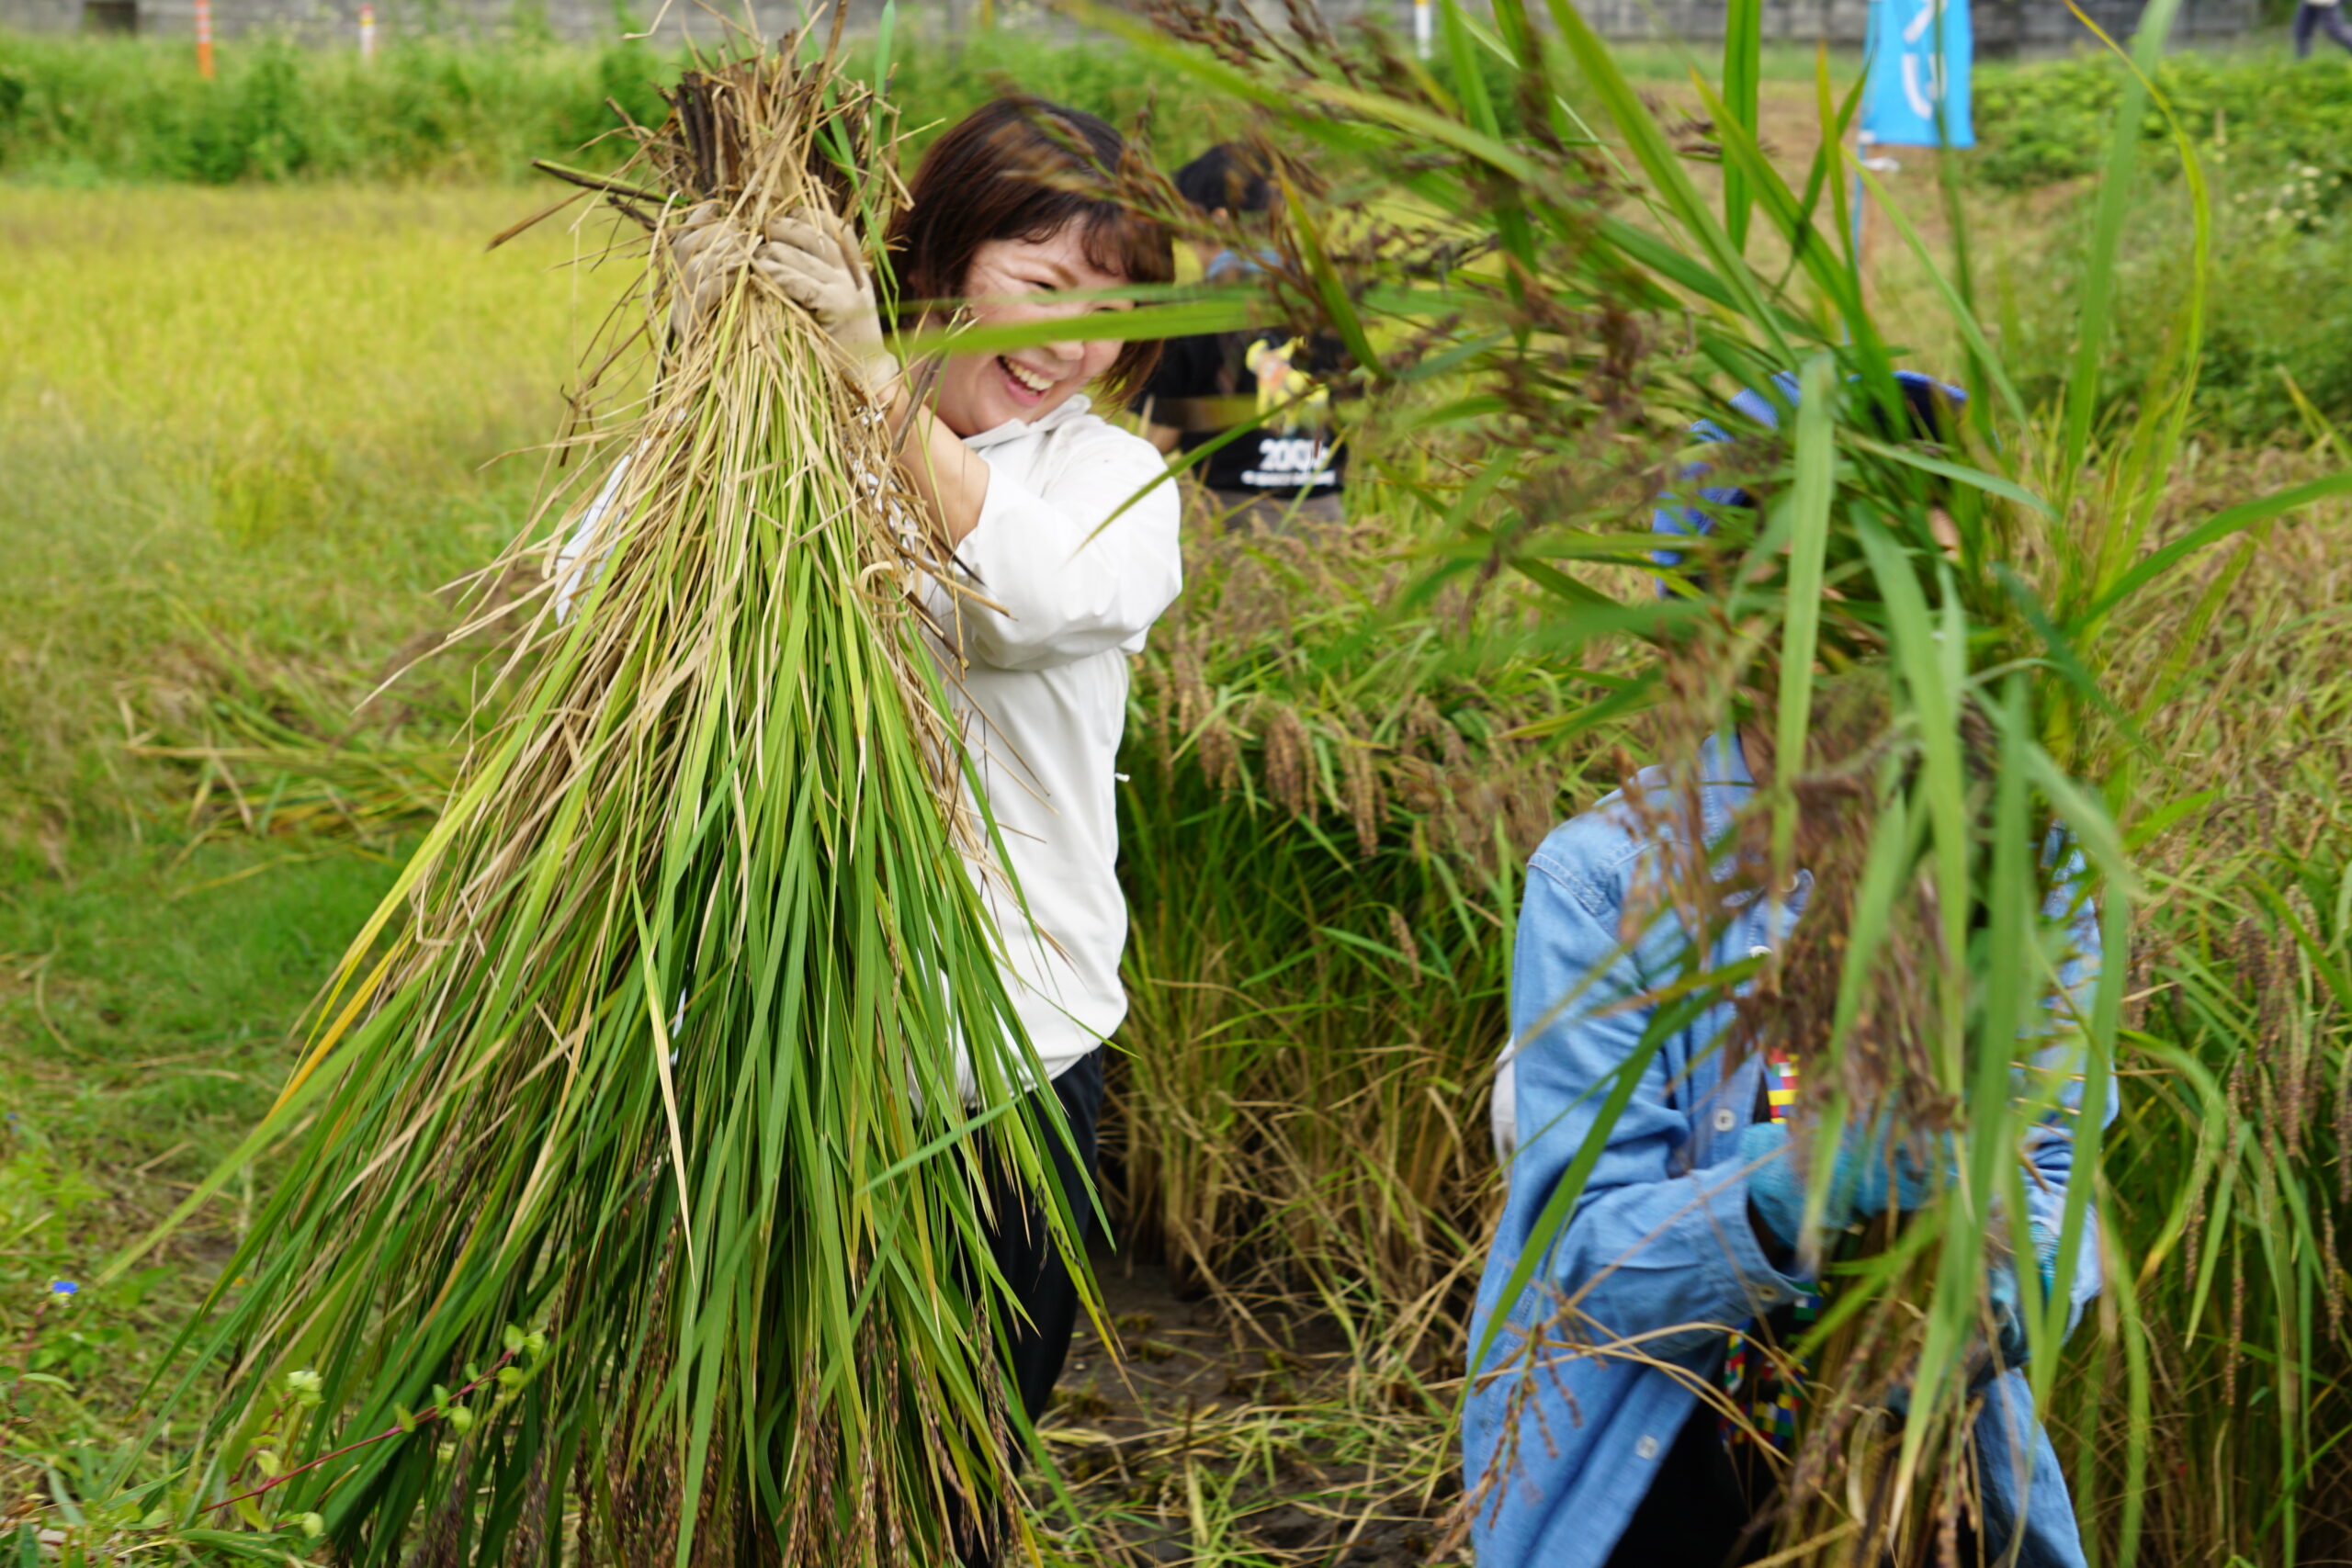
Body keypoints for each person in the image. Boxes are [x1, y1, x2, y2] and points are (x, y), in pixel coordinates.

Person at [583, 96, 1181, 1562]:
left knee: (954, 1484)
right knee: (749, 1460)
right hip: (770, 1042)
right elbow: (593, 602)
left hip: (1004, 1067)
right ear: (948, 255)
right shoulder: (783, 430)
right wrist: (713, 357)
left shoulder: (1116, 482)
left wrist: (861, 371)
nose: (1072, 344)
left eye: (1115, 310)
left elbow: (1032, 596)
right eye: (1043, 286)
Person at [1466, 373, 2110, 1568]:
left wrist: (1998, 1301)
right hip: (1661, 1455)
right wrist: (1788, 1192)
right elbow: (1592, 1259)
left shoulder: (2029, 862)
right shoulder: (1608, 878)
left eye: (1937, 573)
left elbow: (2059, 1175)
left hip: (1930, 1459)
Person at [1132, 142, 1348, 531]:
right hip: (1325, 509)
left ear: (1217, 221)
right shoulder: (1326, 301)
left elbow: (1164, 429)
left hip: (1238, 516)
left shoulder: (1198, 310)